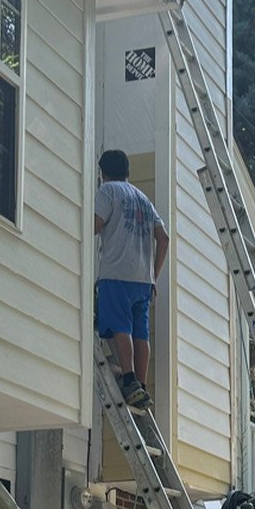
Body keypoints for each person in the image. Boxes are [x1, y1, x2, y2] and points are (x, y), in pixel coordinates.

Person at [94, 149, 169, 409]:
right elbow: (164, 238)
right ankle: (141, 384)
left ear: (103, 172)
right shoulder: (143, 199)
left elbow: (94, 225)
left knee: (120, 327)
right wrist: (153, 277)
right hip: (142, 279)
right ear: (127, 171)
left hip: (117, 272)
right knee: (140, 332)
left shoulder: (108, 191)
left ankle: (128, 379)